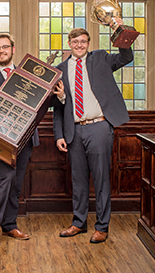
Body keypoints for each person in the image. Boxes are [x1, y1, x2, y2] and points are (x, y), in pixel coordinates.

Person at [0, 33, 60, 247]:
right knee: (6, 178)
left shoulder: (28, 75)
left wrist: (59, 95)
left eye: (5, 47)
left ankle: (9, 225)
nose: (1, 51)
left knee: (16, 184)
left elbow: (46, 100)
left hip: (25, 139)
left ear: (13, 49)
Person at [53, 23, 133, 244]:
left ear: (88, 44)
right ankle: (78, 223)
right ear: (69, 44)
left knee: (101, 179)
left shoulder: (101, 58)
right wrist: (59, 134)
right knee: (78, 180)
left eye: (83, 42)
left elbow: (126, 58)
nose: (79, 45)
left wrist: (120, 30)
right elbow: (57, 107)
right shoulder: (59, 70)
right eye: (75, 42)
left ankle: (102, 226)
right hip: (74, 130)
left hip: (99, 127)